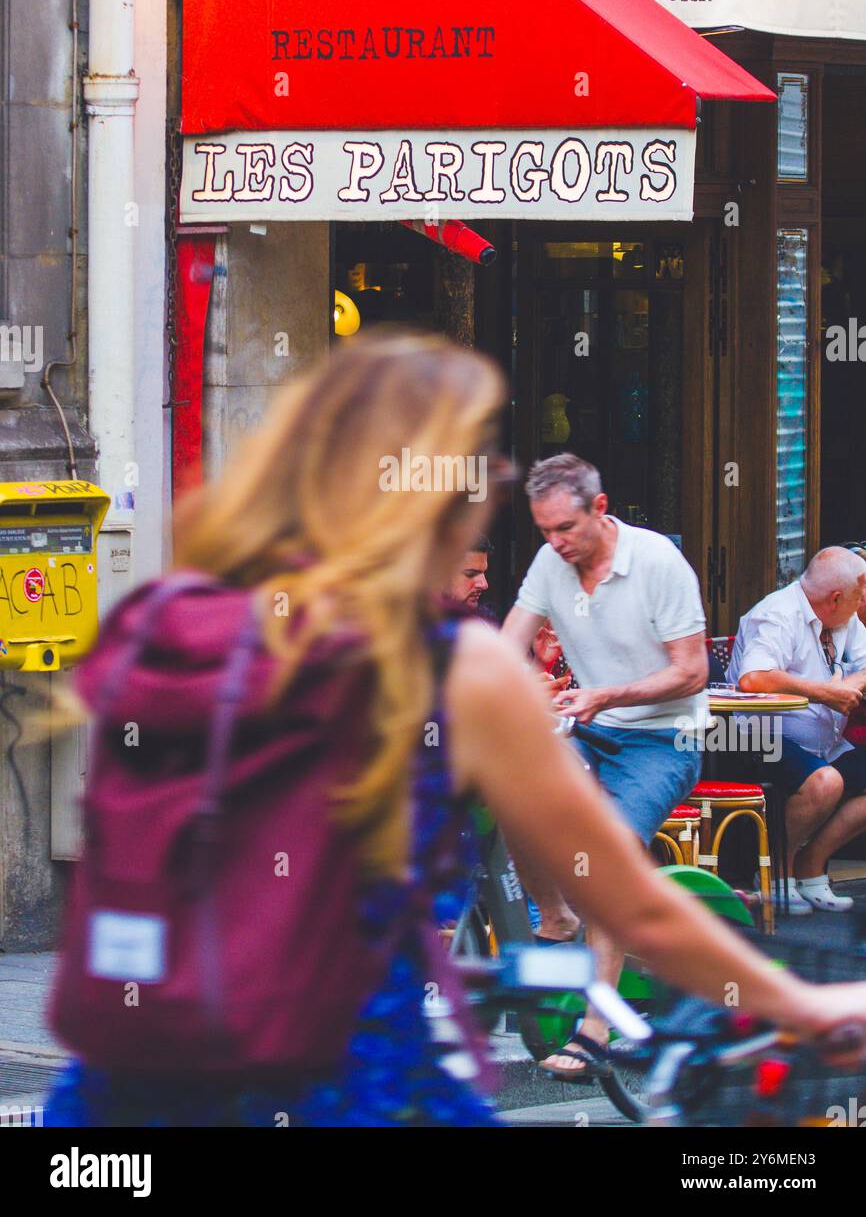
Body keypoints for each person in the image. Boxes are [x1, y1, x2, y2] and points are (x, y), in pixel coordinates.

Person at [44, 336, 866, 1125]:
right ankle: (560, 951)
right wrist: (801, 1003)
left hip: (125, 1080)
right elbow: (639, 908)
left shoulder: (164, 621)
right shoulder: (448, 665)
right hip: (342, 1078)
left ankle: (547, 929)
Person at [501, 453, 709, 1075]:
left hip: (663, 737)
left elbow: (692, 671)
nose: (555, 543)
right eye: (544, 531)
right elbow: (510, 638)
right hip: (587, 725)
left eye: (565, 529)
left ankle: (596, 1029)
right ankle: (558, 917)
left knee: (609, 851)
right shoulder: (551, 561)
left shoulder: (657, 563)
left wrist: (606, 694)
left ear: (600, 507)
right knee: (512, 797)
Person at [727, 547, 866, 914]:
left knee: (836, 776)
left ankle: (810, 866)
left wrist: (848, 684)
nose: (862, 603)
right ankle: (775, 872)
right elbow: (753, 678)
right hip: (756, 738)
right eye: (859, 596)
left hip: (823, 739)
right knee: (825, 783)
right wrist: (827, 692)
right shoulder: (777, 614)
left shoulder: (842, 618)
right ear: (836, 598)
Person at [443, 535, 492, 612]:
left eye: (484, 573)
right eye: (471, 574)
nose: (484, 585)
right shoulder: (419, 621)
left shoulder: (482, 622)